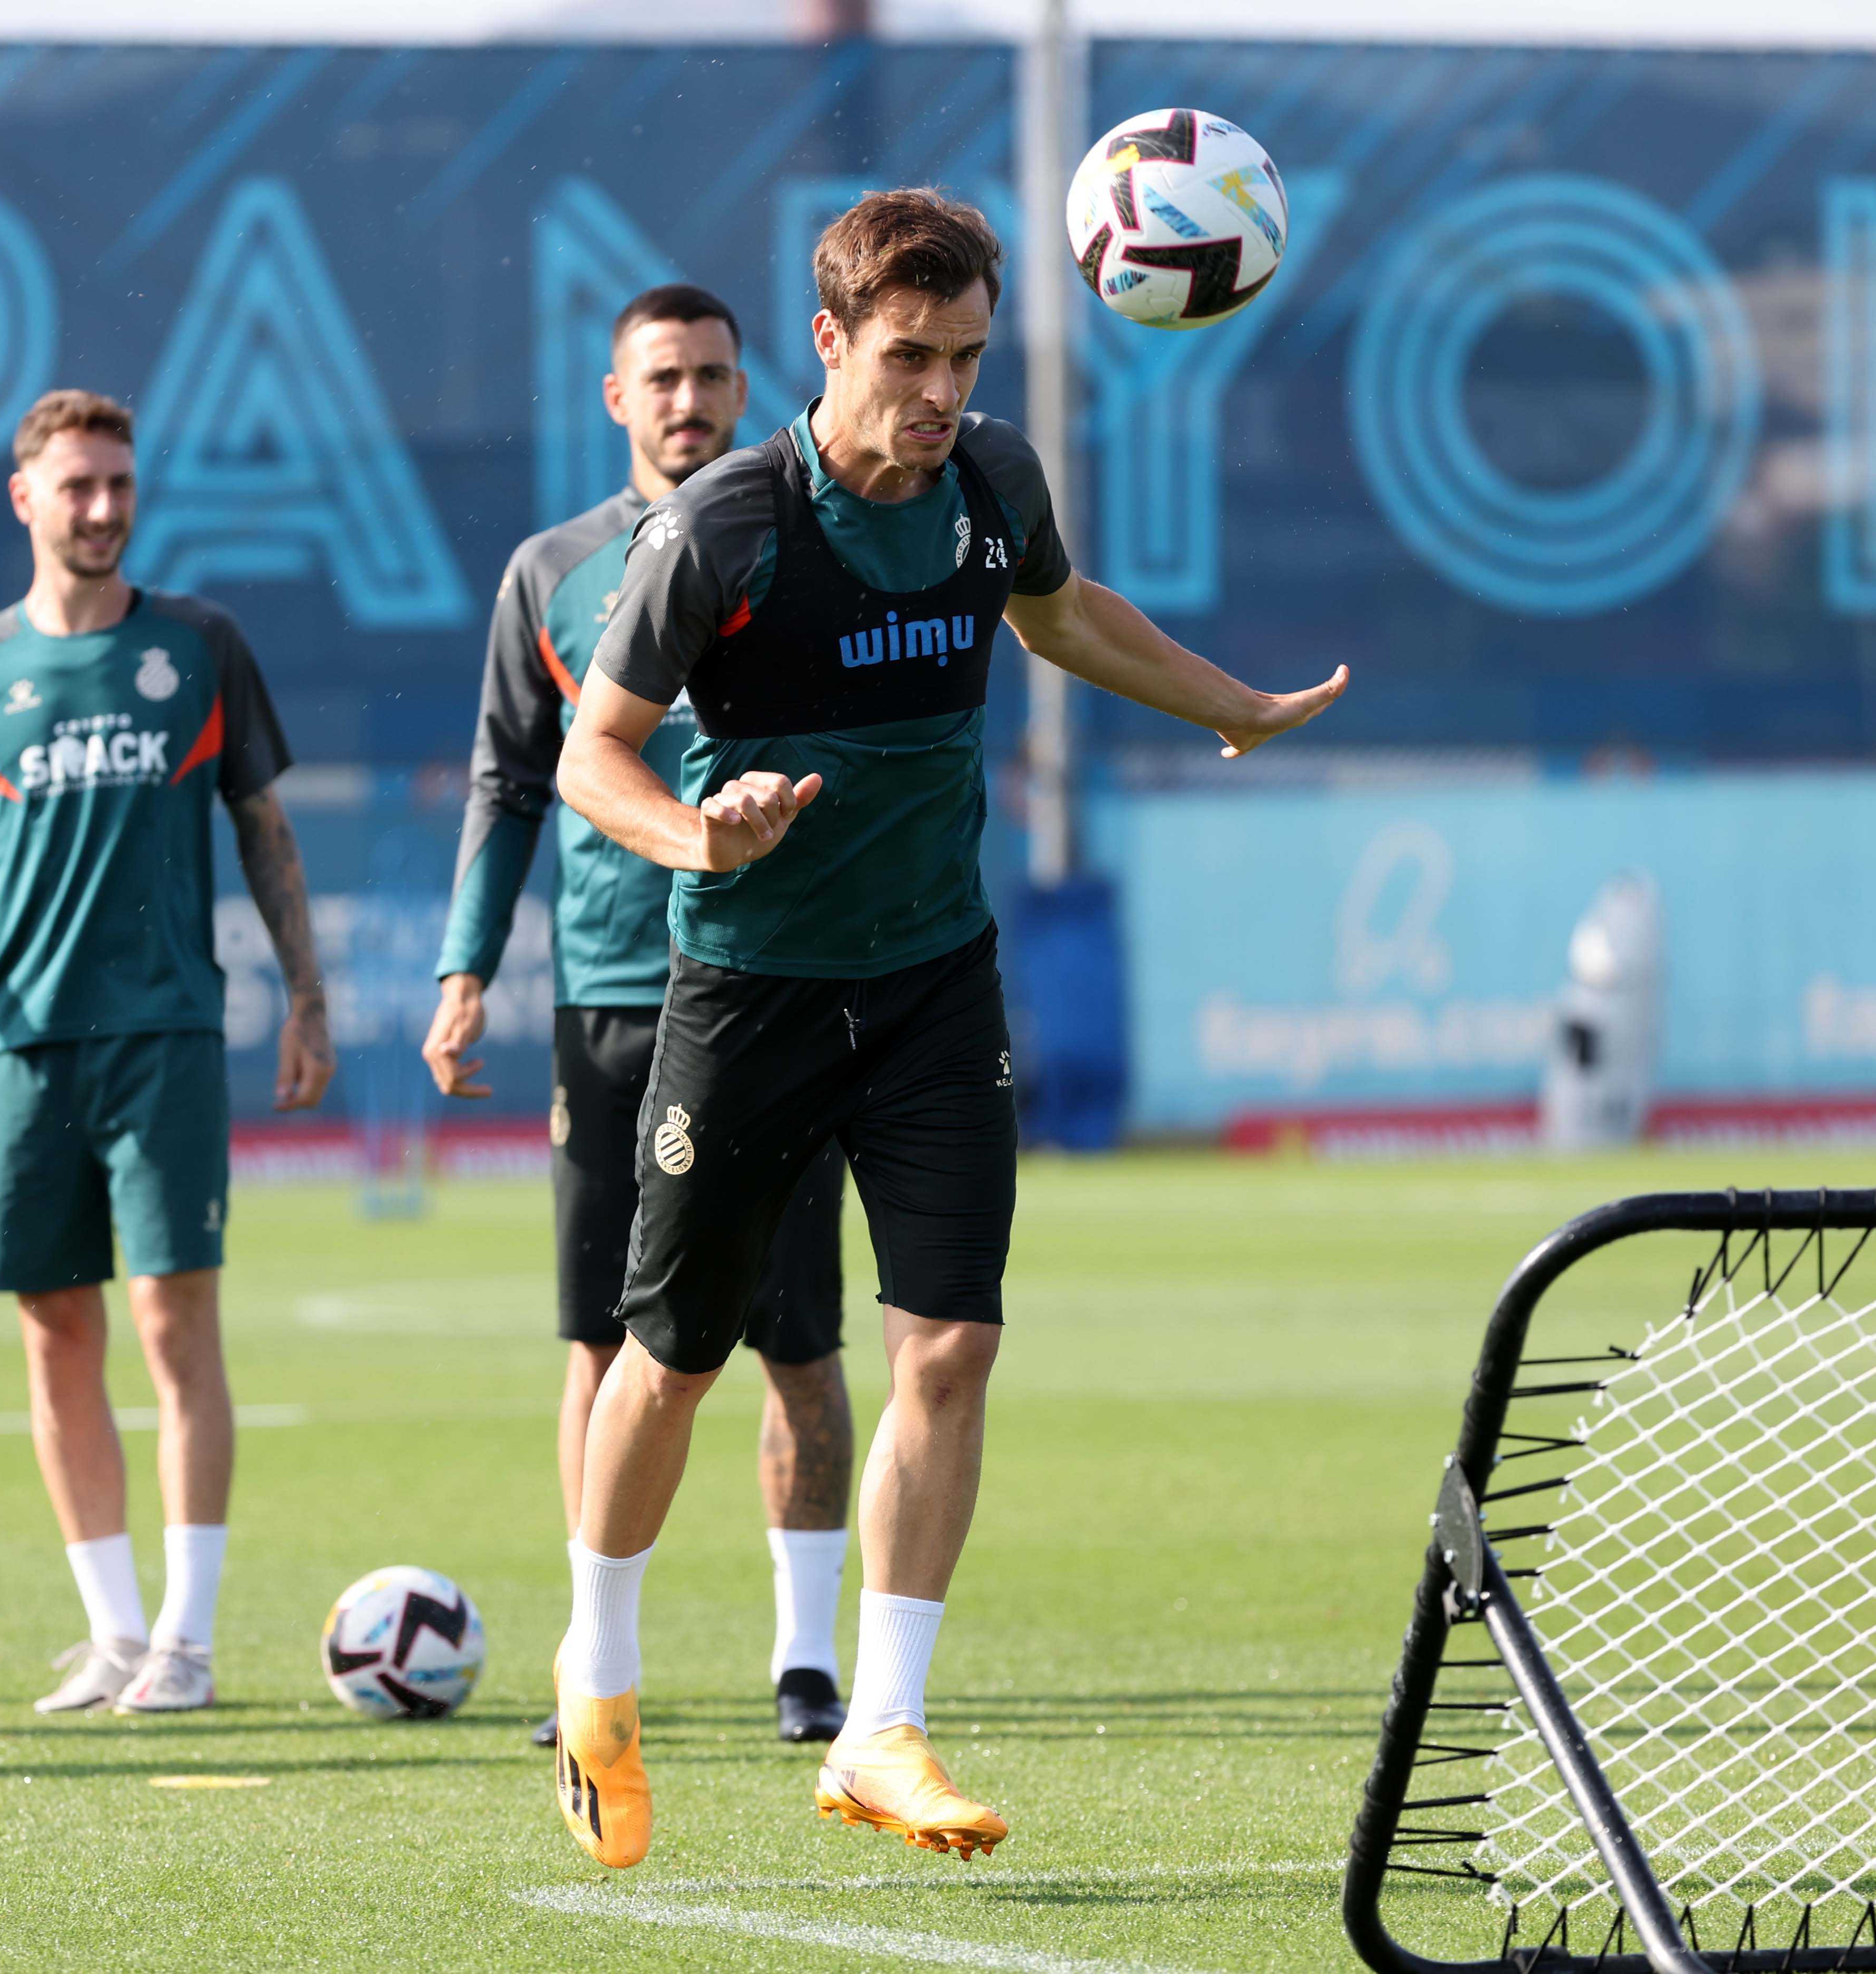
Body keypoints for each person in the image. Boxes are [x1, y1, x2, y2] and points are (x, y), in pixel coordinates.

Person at [547, 190, 1350, 1869]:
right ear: (830, 340)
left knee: (952, 1346)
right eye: (910, 356)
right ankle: (599, 1672)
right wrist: (701, 835)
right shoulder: (724, 527)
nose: (941, 392)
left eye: (968, 358)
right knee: (672, 1362)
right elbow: (593, 757)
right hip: (750, 992)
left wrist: (1236, 707)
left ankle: (884, 1727)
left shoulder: (995, 480)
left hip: (934, 985)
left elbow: (1061, 616)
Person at [420, 286, 856, 1751]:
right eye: (662, 377)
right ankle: (596, 1657)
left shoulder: (807, 541)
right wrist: (466, 967)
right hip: (609, 1001)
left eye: (712, 375)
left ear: (747, 385)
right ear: (617, 397)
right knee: (602, 1348)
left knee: (796, 1338)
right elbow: (509, 779)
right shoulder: (551, 573)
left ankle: (808, 1661)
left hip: (771, 987)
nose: (689, 400)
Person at [0, 388, 333, 1715]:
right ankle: (116, 1633)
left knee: (174, 1325)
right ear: (25, 498)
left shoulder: (199, 644)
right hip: (20, 1046)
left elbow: (264, 829)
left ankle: (187, 1638)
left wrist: (305, 995)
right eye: (77, 486)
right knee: (53, 1330)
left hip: (165, 1035)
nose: (103, 509)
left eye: (119, 484)